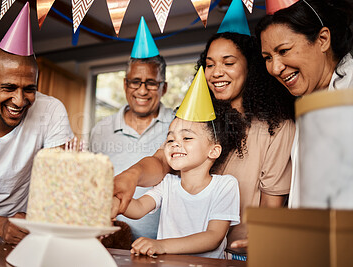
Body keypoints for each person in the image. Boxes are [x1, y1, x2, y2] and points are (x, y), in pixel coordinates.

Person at [113, 30, 296, 259]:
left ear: (251, 68)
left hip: (242, 255)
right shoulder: (195, 122)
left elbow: (271, 205)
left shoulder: (275, 127)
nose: (217, 72)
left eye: (228, 62)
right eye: (209, 64)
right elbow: (161, 162)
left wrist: (262, 244)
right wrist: (130, 177)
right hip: (178, 256)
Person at [0, 4, 73, 244]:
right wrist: (1, 225)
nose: (19, 100)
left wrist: (41, 217)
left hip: (23, 237)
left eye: (29, 89)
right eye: (8, 88)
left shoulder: (51, 111)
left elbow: (59, 195)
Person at [111, 68, 246, 258]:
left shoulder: (225, 185)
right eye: (170, 139)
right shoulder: (167, 183)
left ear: (213, 150)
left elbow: (213, 237)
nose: (175, 144)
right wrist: (115, 201)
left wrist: (160, 245)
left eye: (187, 138)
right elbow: (139, 208)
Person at [255, 0, 353, 208]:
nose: (275, 68)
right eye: (267, 58)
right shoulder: (304, 103)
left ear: (323, 39)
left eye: (283, 51)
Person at [90, 56, 173, 241]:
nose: (142, 90)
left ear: (164, 87)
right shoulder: (100, 130)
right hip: (110, 243)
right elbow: (92, 184)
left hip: (165, 247)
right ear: (125, 84)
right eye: (135, 82)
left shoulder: (178, 125)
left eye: (151, 83)